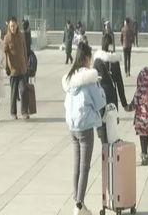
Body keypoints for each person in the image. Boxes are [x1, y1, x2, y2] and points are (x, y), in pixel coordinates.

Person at [62, 42, 106, 215]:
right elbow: (100, 102)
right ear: (87, 58)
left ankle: (77, 201)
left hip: (72, 126)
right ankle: (79, 206)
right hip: (85, 126)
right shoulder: (89, 78)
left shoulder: (71, 78)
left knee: (77, 164)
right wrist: (99, 87)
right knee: (85, 167)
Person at [124, 67, 148, 166]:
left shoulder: (138, 92)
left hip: (140, 120)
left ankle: (143, 154)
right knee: (146, 136)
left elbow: (134, 105)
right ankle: (145, 153)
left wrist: (126, 107)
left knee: (142, 137)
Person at [93, 50, 128, 144]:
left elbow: (94, 82)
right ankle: (110, 148)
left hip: (100, 97)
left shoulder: (97, 60)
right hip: (112, 97)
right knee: (112, 127)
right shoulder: (114, 61)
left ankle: (104, 145)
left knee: (102, 125)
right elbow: (119, 83)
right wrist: (124, 103)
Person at [4, 17, 29, 120]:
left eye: (14, 26)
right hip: (13, 70)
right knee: (14, 93)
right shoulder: (7, 38)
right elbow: (5, 53)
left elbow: (25, 50)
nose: (13, 28)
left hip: (22, 69)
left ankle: (24, 112)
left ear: (17, 25)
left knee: (23, 90)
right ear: (9, 27)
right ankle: (13, 113)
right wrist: (7, 67)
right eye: (11, 26)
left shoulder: (21, 36)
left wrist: (26, 63)